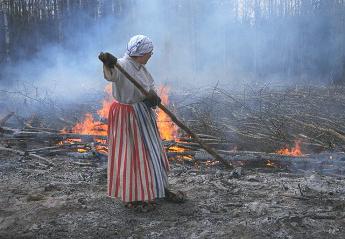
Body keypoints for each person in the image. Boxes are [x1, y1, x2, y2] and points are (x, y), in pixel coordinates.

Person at [98, 35, 185, 212]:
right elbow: (111, 75)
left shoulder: (140, 67)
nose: (151, 56)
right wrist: (107, 62)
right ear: (141, 53)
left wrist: (151, 97)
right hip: (128, 116)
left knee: (151, 151)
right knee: (133, 155)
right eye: (149, 53)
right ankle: (135, 196)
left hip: (142, 113)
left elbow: (146, 86)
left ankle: (157, 188)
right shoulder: (121, 65)